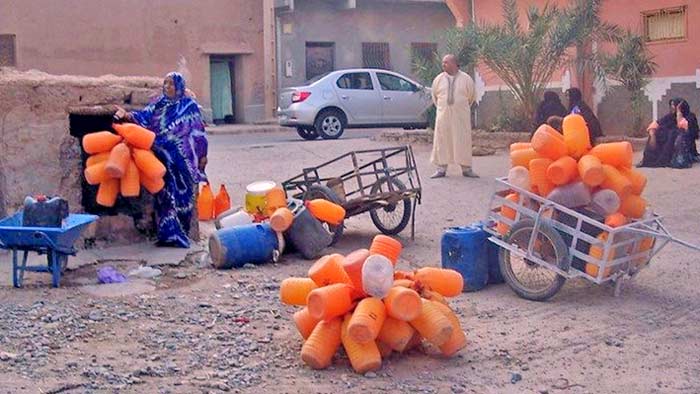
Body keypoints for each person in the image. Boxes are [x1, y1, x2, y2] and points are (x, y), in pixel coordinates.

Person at [114, 72, 208, 248]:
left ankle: (183, 234)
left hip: (184, 162)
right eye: (165, 84)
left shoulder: (189, 106)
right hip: (162, 157)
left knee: (184, 198)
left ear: (179, 87)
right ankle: (168, 235)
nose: (167, 87)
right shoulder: (158, 104)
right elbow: (142, 117)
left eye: (171, 84)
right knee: (164, 195)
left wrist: (203, 155)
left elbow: (199, 134)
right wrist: (126, 115)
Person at [430, 54, 477, 178]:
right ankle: (441, 169)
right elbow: (434, 97)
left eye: (446, 62)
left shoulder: (466, 79)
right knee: (442, 141)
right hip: (443, 117)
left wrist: (458, 107)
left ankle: (466, 169)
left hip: (461, 118)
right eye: (443, 62)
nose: (443, 64)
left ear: (455, 63)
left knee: (463, 141)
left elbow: (471, 97)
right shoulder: (438, 79)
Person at [639, 98, 697, 169]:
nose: (672, 107)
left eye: (674, 105)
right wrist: (652, 135)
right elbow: (655, 124)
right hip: (669, 141)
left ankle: (675, 160)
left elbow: (682, 126)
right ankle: (649, 159)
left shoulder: (690, 116)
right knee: (658, 133)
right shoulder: (670, 116)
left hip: (685, 141)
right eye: (671, 104)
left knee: (675, 134)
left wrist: (679, 113)